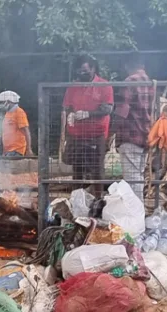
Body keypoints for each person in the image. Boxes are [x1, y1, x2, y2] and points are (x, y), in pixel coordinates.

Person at [62, 55, 114, 194]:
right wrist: (71, 114)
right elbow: (67, 106)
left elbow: (107, 108)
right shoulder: (73, 86)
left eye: (85, 70)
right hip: (76, 135)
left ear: (93, 68)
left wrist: (88, 114)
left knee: (96, 169)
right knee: (77, 169)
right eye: (79, 71)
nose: (82, 74)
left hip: (96, 134)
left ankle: (98, 200)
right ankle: (77, 199)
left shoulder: (103, 85)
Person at [112, 53, 155, 202]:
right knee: (138, 177)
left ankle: (136, 215)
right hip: (145, 136)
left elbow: (122, 112)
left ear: (127, 65)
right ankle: (138, 213)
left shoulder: (129, 81)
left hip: (130, 136)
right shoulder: (149, 82)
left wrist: (110, 134)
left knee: (132, 180)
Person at [0, 90, 32, 157]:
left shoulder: (19, 112)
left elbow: (26, 131)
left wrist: (28, 149)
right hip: (8, 151)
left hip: (17, 150)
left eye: (2, 102)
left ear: (9, 102)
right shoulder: (8, 113)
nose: (0, 105)